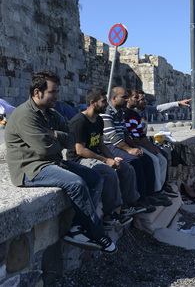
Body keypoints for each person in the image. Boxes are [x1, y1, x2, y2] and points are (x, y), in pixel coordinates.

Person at [5, 70, 116, 253]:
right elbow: (44, 148)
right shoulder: (25, 115)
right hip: (30, 169)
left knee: (95, 178)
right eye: (53, 92)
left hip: (52, 163)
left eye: (57, 91)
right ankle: (96, 233)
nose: (57, 96)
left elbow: (72, 140)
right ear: (37, 92)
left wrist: (54, 134)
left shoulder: (50, 113)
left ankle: (77, 228)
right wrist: (56, 141)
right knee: (76, 183)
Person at [66, 88, 146, 227]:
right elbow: (80, 150)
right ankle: (109, 215)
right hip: (79, 160)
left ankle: (127, 206)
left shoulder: (98, 121)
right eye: (103, 102)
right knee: (108, 173)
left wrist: (112, 158)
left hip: (94, 156)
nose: (107, 105)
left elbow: (101, 145)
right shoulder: (79, 121)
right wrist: (105, 160)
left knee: (126, 168)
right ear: (92, 102)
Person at [100, 87, 168, 209]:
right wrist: (129, 150)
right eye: (124, 97)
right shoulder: (107, 112)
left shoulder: (119, 112)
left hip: (119, 143)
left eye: (127, 97)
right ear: (114, 98)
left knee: (145, 159)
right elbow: (112, 136)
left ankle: (149, 194)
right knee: (135, 161)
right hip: (110, 146)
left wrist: (135, 147)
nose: (126, 99)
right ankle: (138, 200)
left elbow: (125, 134)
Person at [124, 90, 174, 201]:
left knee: (162, 158)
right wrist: (147, 147)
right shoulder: (124, 114)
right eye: (136, 98)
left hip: (139, 142)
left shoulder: (135, 115)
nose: (138, 100)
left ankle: (160, 188)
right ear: (128, 99)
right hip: (132, 145)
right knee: (153, 160)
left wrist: (151, 146)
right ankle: (152, 192)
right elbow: (132, 138)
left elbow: (141, 135)